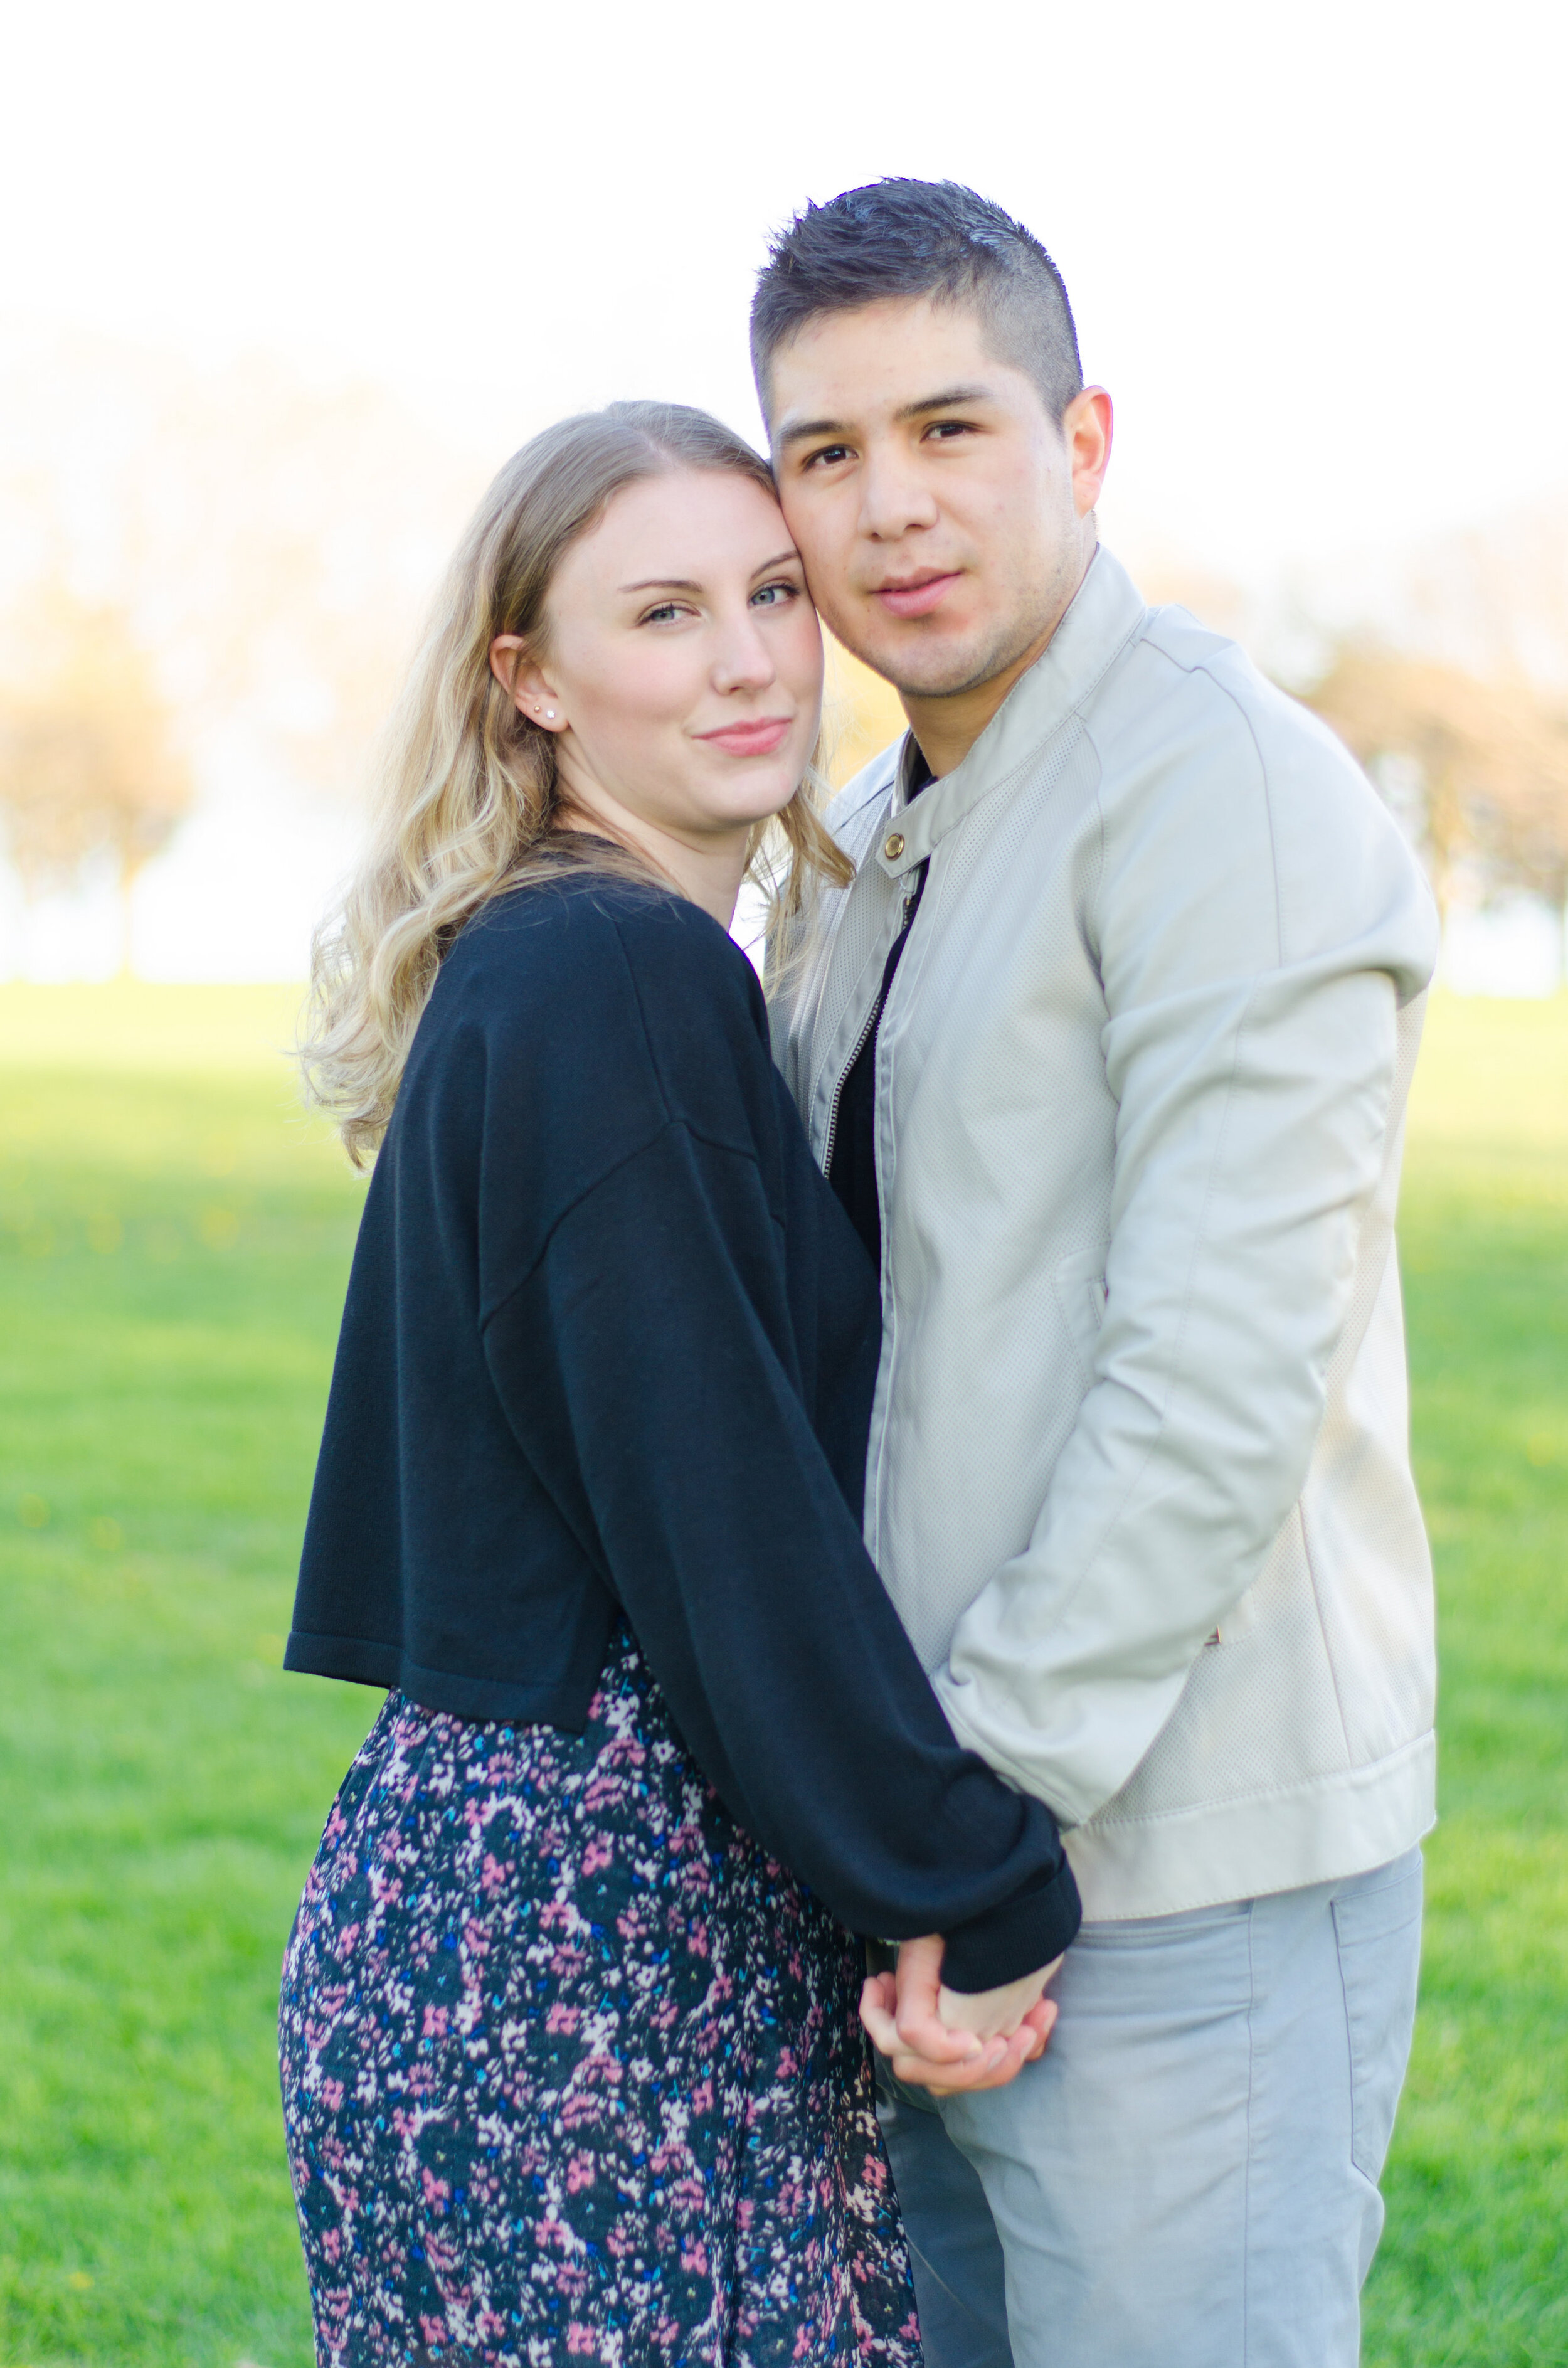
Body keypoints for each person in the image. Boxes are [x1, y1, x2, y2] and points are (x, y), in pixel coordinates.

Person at [277, 398, 1080, 2368]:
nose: (745, 661)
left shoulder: (563, 955)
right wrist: (966, 1882)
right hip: (580, 1960)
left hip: (538, 1926)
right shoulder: (613, 978)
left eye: (771, 598)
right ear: (530, 678)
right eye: (661, 613)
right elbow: (719, 1517)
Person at [753, 181, 1441, 2368]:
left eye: (951, 427)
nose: (892, 509)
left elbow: (1216, 1378)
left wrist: (980, 1822)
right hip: (931, 1851)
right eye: (825, 454)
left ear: (1084, 443)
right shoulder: (873, 832)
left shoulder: (1217, 788)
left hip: (1163, 1874)